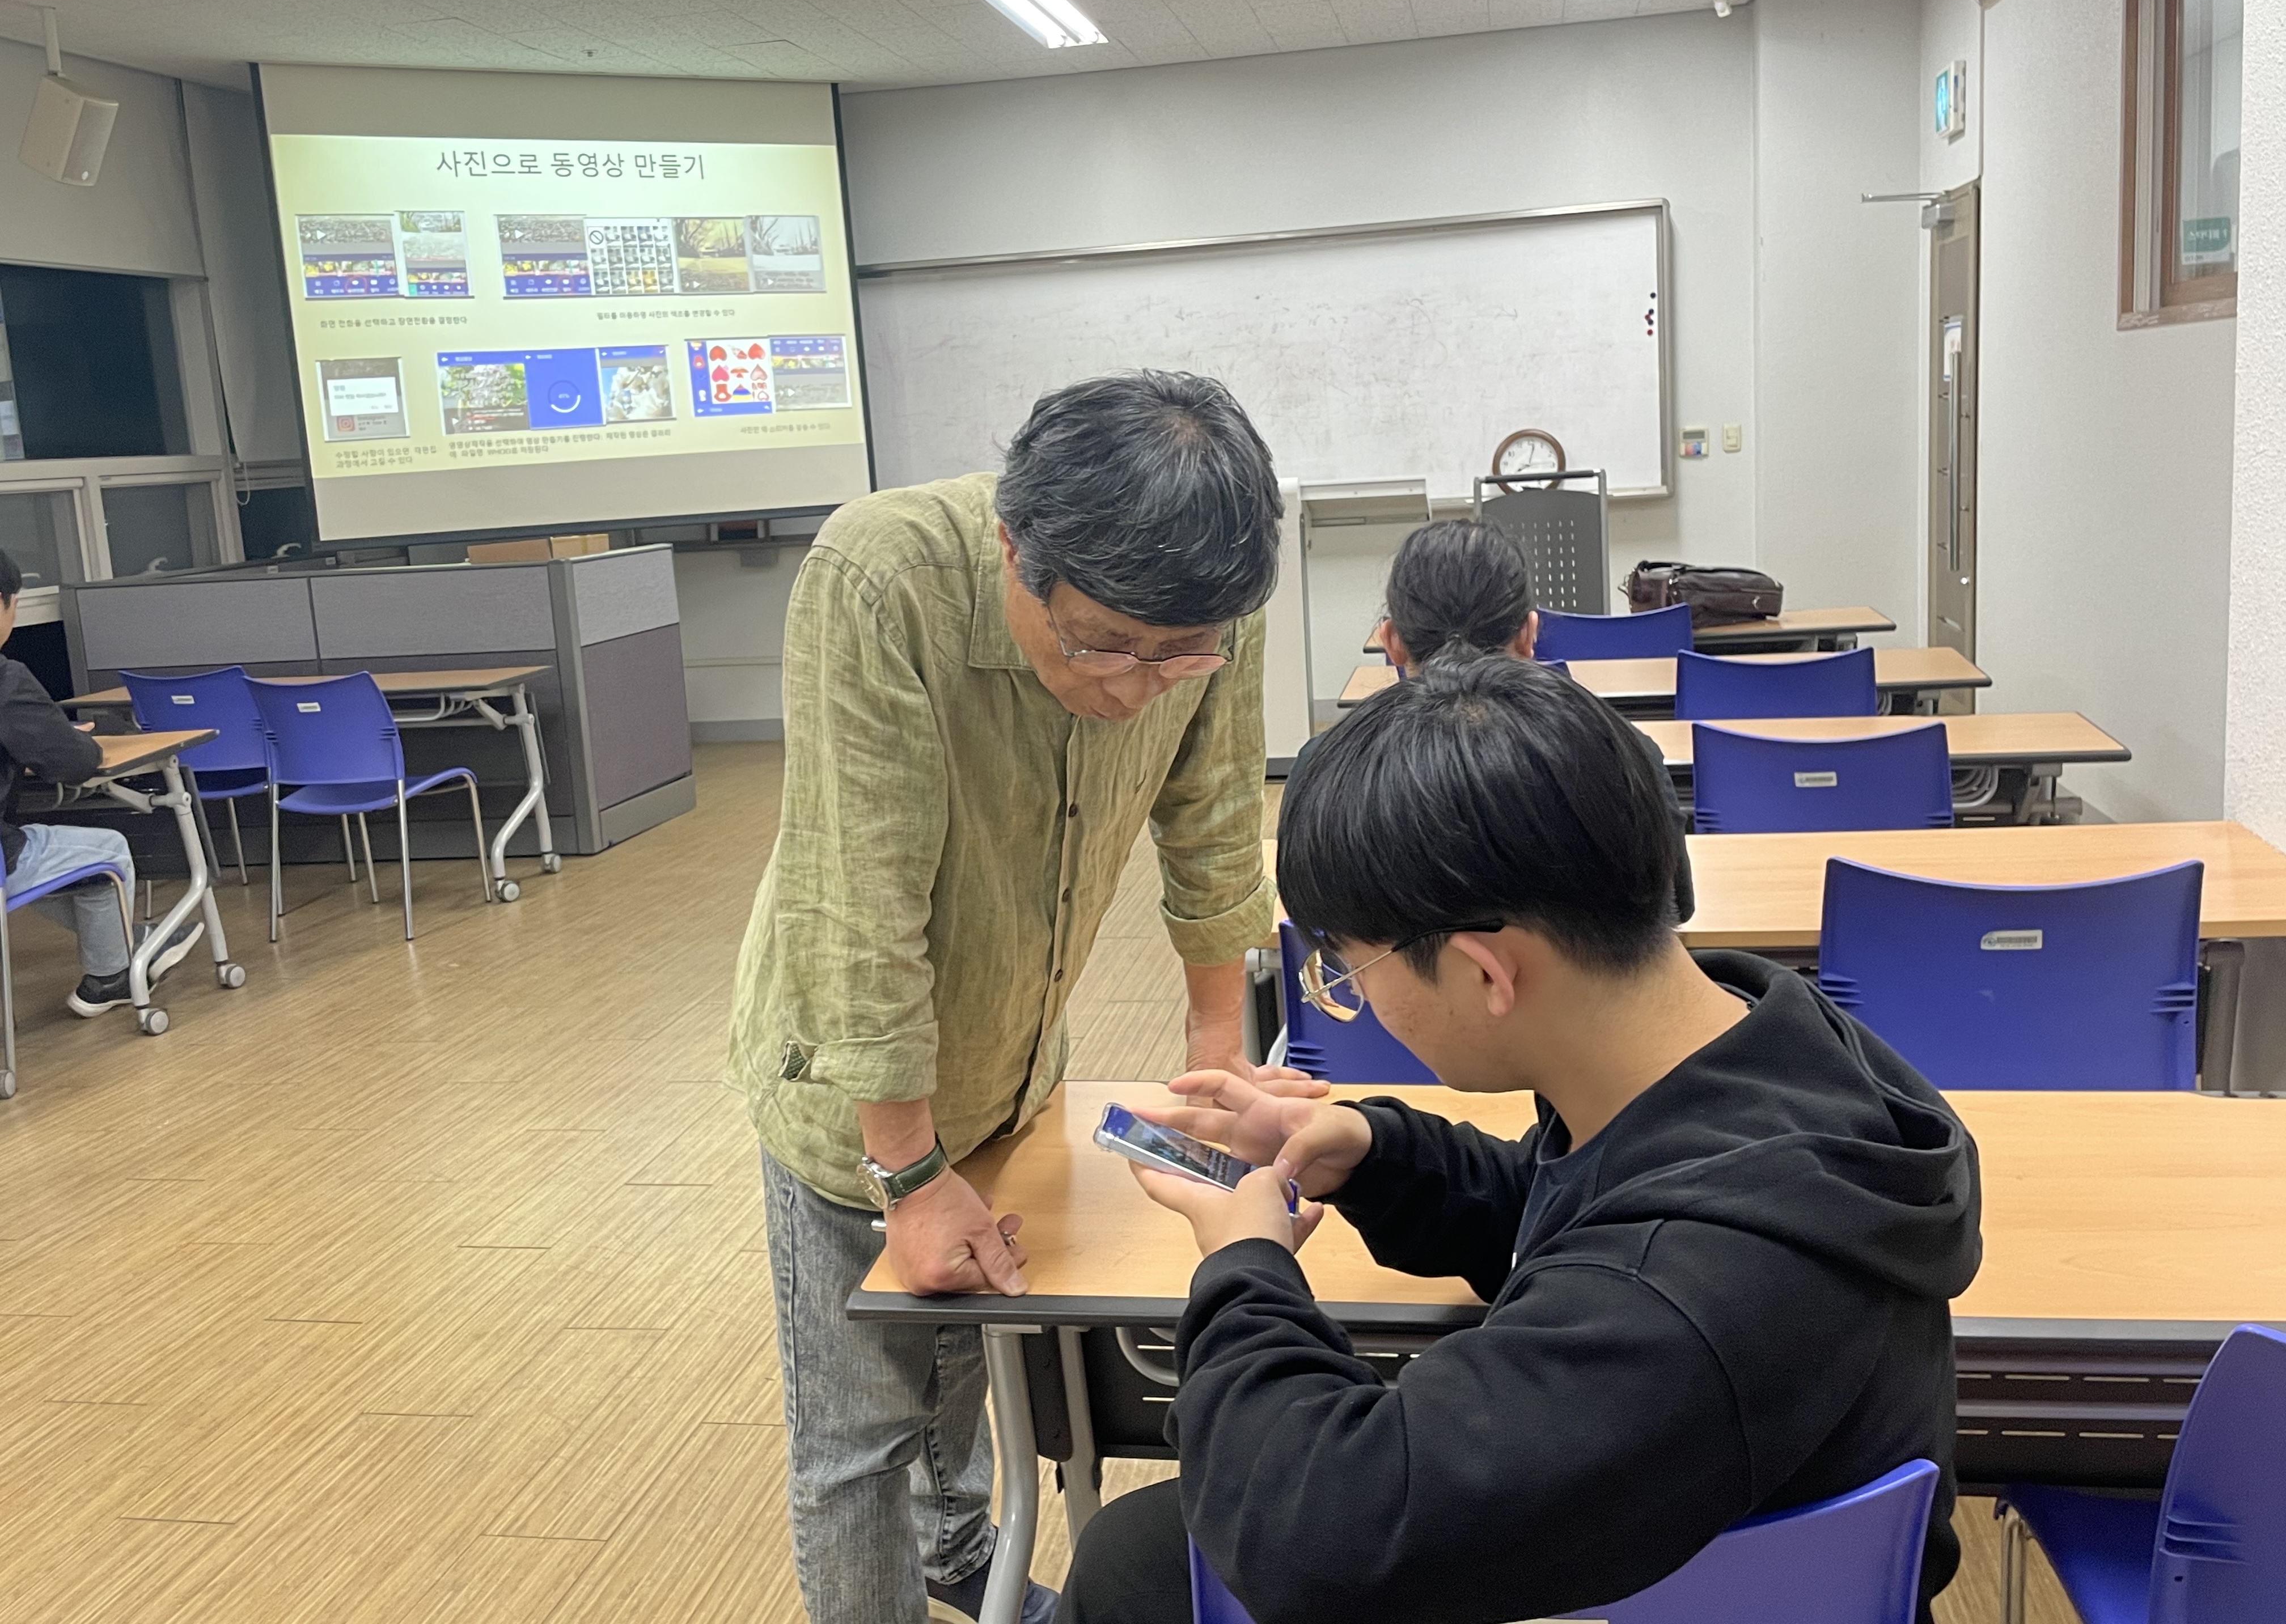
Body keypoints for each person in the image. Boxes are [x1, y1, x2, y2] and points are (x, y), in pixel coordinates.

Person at [1058, 654, 1982, 1624]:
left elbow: (1318, 1533)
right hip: (1712, 1553)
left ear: (1486, 972)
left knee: (1134, 1566)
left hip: (1650, 1599)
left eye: (1351, 971)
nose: (1359, 1000)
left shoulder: (1680, 1294)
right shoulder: (1764, 1047)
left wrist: (1244, 1266)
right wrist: (1373, 1152)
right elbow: (1584, 1213)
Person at [731, 372, 1326, 1624]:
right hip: (852, 1084)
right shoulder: (882, 579)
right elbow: (861, 902)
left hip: (1013, 1055)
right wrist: (906, 1171)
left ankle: (958, 1552)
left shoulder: (1212, 597)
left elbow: (1217, 824)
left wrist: (1217, 1055)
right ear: (1014, 548)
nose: (1137, 686)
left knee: (969, 1349)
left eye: (1178, 654)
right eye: (1101, 643)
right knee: (861, 1436)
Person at [1297, 518, 1692, 919]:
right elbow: (1676, 909)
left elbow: (1310, 919)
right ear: (1528, 635)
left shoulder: (1323, 767)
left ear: (1392, 642)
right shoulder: (1624, 753)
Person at [0, 550, 196, 1014]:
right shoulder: (6, 679)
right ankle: (111, 977)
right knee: (107, 851)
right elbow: (76, 764)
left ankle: (130, 942)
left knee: (73, 866)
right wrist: (64, 740)